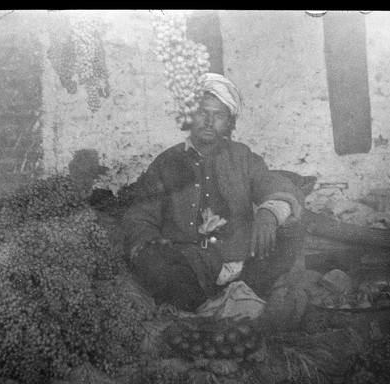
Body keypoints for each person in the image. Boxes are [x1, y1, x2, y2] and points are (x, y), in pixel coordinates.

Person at [122, 73, 305, 312]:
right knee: (156, 266)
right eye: (202, 112)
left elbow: (271, 183)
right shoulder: (166, 163)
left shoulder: (242, 157)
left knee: (289, 234)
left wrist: (269, 214)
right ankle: (209, 305)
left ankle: (242, 294)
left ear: (229, 122)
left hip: (242, 259)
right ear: (190, 117)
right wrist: (151, 248)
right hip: (188, 262)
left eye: (218, 115)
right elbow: (140, 217)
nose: (209, 121)